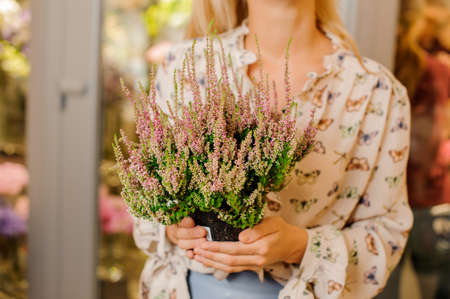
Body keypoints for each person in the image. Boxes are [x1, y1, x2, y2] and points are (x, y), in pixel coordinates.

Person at [132, 0, 413, 298]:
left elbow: (386, 233)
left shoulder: (376, 91)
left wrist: (300, 245)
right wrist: (173, 228)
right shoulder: (185, 67)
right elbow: (147, 190)